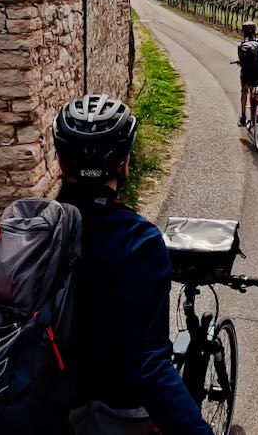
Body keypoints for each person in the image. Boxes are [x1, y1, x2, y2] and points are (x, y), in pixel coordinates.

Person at [53, 94, 214, 435]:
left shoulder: (35, 227)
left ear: (60, 161)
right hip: (113, 411)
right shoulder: (138, 241)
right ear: (124, 163)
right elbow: (150, 365)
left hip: (47, 399)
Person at [237, 20, 258, 126]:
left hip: (247, 74)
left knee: (244, 91)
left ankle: (243, 116)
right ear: (255, 31)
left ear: (244, 32)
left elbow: (242, 61)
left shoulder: (242, 45)